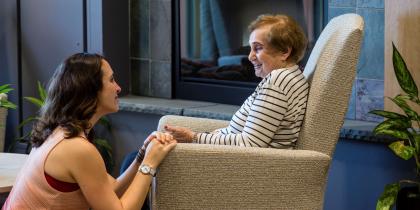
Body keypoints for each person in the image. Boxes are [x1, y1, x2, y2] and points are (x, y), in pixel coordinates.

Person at [2, 53, 177, 209]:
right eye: (111, 80)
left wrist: (141, 157)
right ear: (90, 90)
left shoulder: (60, 132)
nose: (118, 88)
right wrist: (150, 164)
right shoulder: (76, 148)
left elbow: (111, 189)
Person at [165, 14, 309, 149]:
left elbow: (250, 143)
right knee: (159, 141)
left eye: (258, 48)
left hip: (246, 163)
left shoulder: (278, 81)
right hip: (238, 155)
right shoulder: (293, 75)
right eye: (250, 48)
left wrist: (194, 137)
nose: (250, 57)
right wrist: (208, 136)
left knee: (160, 146)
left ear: (284, 51)